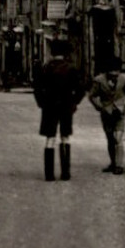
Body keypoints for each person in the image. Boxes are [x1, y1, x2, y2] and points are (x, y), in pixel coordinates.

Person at [33, 38, 84, 181]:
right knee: (65, 137)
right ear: (65, 53)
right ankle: (65, 173)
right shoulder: (71, 68)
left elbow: (37, 88)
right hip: (66, 107)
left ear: (52, 52)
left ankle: (49, 174)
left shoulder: (45, 68)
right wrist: (74, 103)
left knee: (50, 138)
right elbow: (80, 90)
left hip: (49, 107)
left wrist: (42, 103)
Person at [89, 56, 125, 174]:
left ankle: (119, 165)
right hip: (106, 113)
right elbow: (92, 95)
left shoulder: (124, 79)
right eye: (111, 73)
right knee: (110, 138)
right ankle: (113, 163)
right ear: (106, 71)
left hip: (120, 112)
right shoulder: (98, 80)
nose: (114, 75)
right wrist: (99, 107)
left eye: (116, 72)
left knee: (118, 138)